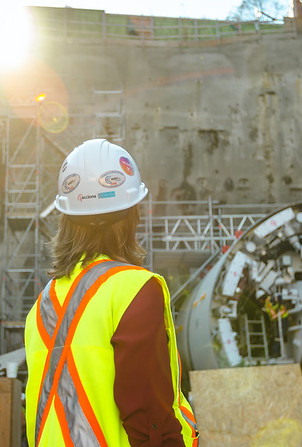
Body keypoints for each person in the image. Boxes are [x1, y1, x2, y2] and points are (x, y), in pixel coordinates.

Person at [24, 139, 199, 446]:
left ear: (65, 218)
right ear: (133, 215)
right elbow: (150, 421)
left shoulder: (43, 305)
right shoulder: (135, 290)